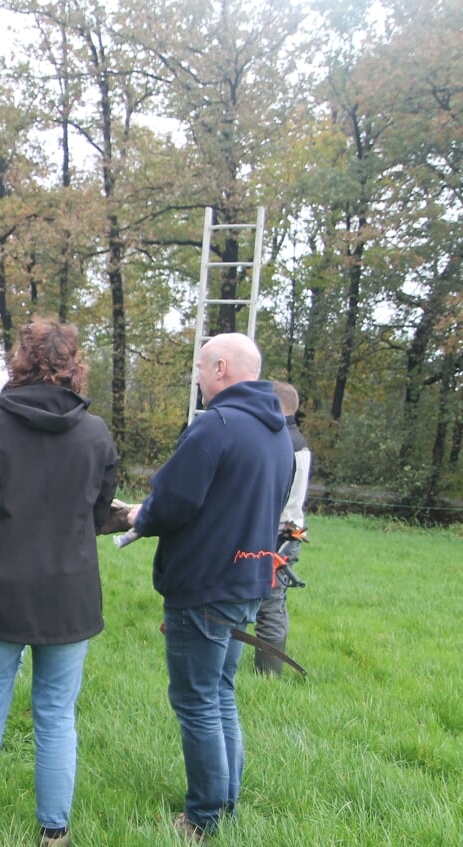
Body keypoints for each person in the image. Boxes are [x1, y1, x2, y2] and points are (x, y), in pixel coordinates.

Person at [0, 320, 119, 847]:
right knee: (55, 714)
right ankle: (54, 833)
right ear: (73, 363)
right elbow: (98, 510)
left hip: (3, 581)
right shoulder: (95, 433)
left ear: (19, 361)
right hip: (67, 587)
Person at [124, 332, 293, 842]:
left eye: (199, 368)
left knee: (197, 700)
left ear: (221, 368)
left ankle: (202, 817)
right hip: (248, 580)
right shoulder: (276, 431)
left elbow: (173, 500)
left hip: (203, 583)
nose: (197, 378)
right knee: (220, 694)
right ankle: (226, 801)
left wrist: (140, 515)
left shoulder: (215, 426)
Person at [253, 381, 311, 675]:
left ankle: (267, 676)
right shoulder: (291, 439)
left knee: (270, 606)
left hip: (278, 537)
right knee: (269, 605)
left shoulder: (284, 442)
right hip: (280, 532)